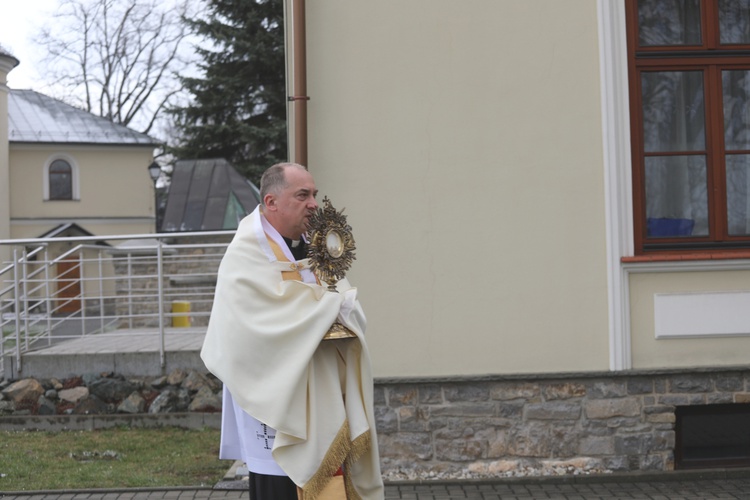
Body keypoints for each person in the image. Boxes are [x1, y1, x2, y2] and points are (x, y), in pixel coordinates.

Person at [201, 163, 384, 500]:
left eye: (313, 193)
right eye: (303, 195)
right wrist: (328, 308)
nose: (313, 203)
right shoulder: (244, 255)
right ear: (271, 202)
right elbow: (254, 328)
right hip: (274, 399)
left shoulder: (315, 248)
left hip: (325, 391)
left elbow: (344, 302)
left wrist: (342, 308)